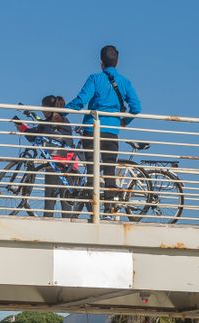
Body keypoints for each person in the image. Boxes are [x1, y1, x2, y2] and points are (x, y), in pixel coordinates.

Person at [66, 45, 142, 213]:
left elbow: (81, 101)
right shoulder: (125, 81)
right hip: (111, 130)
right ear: (118, 62)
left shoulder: (94, 78)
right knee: (109, 170)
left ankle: (93, 209)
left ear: (101, 62)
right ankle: (108, 209)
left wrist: (63, 109)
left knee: (92, 169)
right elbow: (136, 107)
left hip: (91, 129)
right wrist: (123, 123)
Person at [15, 95, 77, 217]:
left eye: (43, 107)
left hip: (54, 165)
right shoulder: (65, 121)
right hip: (70, 165)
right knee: (67, 202)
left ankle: (48, 224)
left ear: (49, 108)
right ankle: (69, 228)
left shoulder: (48, 124)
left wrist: (20, 126)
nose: (42, 110)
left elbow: (32, 136)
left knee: (50, 200)